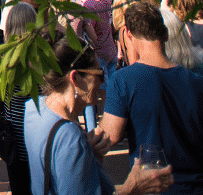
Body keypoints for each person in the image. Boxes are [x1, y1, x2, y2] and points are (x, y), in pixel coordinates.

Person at [99, 0, 203, 195]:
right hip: (200, 186)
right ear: (166, 34)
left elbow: (111, 134)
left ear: (128, 34)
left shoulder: (123, 80)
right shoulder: (200, 83)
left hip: (153, 186)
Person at [24, 35, 172, 195]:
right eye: (99, 74)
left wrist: (89, 156)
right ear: (75, 78)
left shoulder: (34, 107)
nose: (103, 81)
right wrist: (132, 189)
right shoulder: (71, 140)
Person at [0, 2, 37, 195]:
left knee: (19, 187)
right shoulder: (43, 55)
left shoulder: (2, 58)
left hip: (14, 136)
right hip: (40, 133)